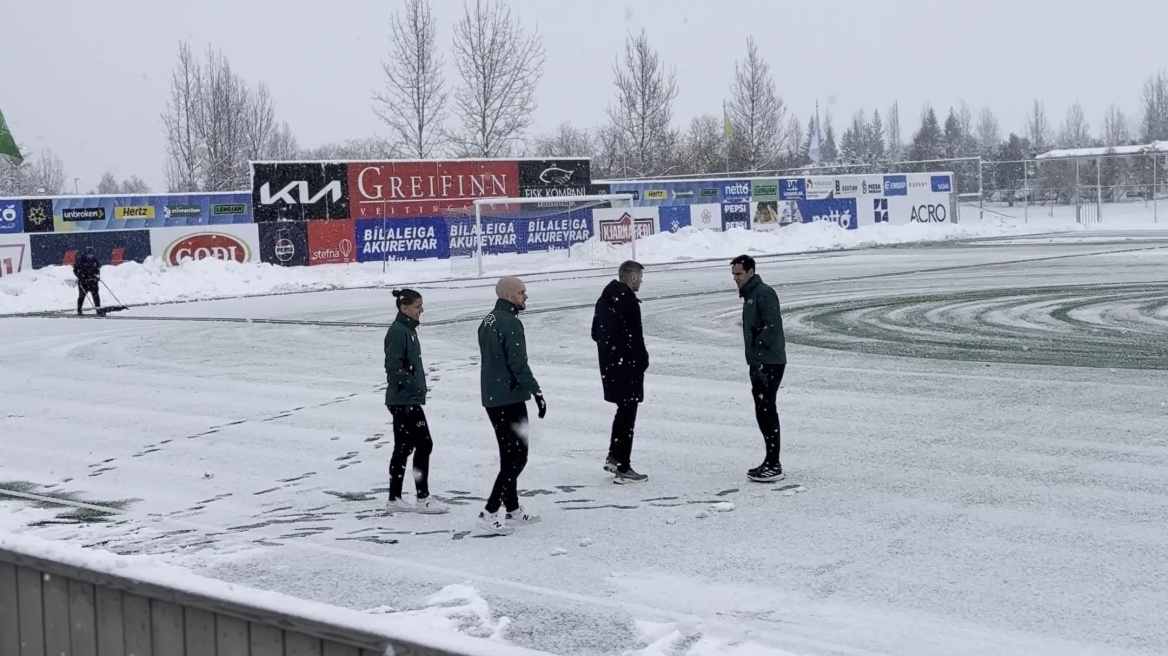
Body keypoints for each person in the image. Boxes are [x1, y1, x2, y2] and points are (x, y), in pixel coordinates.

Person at [476, 276, 546, 535]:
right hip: (509, 397)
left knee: (509, 455)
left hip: (493, 397)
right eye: (521, 292)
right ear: (507, 295)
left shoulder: (488, 320)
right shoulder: (510, 323)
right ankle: (490, 511)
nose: (525, 296)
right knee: (517, 456)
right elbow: (518, 364)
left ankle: (512, 508)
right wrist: (536, 391)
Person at [383, 288, 447, 514]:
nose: (422, 310)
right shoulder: (399, 332)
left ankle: (395, 498)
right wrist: (413, 385)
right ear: (404, 308)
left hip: (405, 398)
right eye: (418, 306)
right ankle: (422, 498)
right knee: (424, 443)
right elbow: (393, 367)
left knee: (404, 446)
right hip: (404, 400)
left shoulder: (407, 330)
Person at [731, 254, 787, 482]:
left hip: (769, 363)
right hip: (759, 362)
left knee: (767, 410)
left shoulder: (763, 293)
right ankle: (770, 460)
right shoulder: (751, 295)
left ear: (751, 272)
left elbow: (772, 327)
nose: (735, 278)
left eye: (739, 274)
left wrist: (759, 350)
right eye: (733, 274)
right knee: (762, 410)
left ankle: (774, 464)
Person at [591, 260, 649, 484]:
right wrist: (640, 361)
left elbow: (596, 332)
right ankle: (623, 467)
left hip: (611, 366)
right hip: (628, 367)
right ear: (633, 277)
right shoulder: (629, 302)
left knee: (623, 412)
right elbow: (635, 337)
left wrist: (611, 353)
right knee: (628, 415)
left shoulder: (604, 299)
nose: (641, 282)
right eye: (640, 278)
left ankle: (614, 457)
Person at [73, 246, 103, 316]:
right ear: (86, 254)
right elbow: (75, 270)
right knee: (81, 296)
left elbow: (97, 269)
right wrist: (80, 276)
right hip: (83, 282)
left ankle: (98, 309)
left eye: (92, 255)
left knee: (96, 295)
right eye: (89, 255)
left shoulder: (95, 260)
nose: (91, 256)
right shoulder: (80, 260)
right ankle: (79, 310)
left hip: (93, 281)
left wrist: (97, 276)